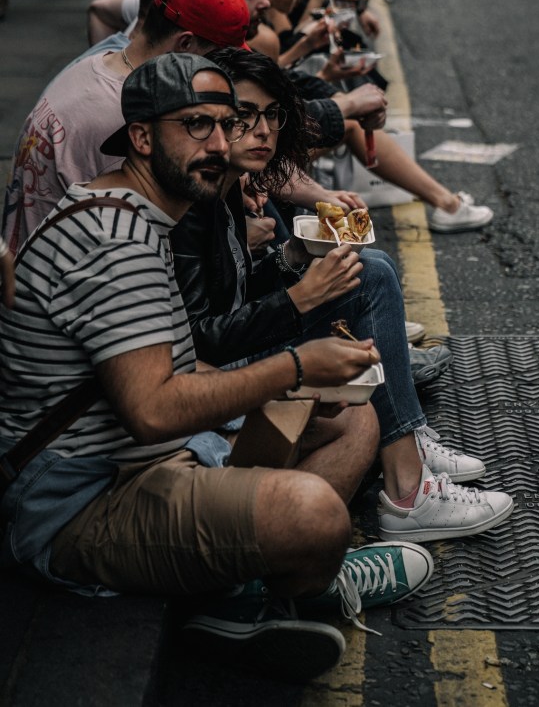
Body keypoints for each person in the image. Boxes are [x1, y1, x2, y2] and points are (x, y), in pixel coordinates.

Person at [0, 52, 434, 680]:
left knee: (354, 422)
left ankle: (242, 598)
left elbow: (181, 368)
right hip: (79, 503)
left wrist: (302, 386)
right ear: (143, 138)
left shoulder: (143, 215)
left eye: (225, 125)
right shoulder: (115, 241)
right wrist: (292, 365)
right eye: (195, 126)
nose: (219, 142)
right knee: (314, 515)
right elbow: (152, 410)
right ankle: (295, 585)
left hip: (147, 463)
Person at [171, 48, 514, 545]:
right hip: (213, 382)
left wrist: (289, 257)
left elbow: (234, 291)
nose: (263, 130)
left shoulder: (226, 185)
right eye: (246, 115)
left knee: (369, 269)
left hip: (230, 358)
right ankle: (409, 487)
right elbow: (202, 339)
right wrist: (300, 299)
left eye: (272, 115)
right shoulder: (192, 202)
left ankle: (409, 458)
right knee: (365, 299)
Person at [252, 0, 495, 233]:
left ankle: (444, 202)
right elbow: (272, 96)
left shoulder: (273, 21)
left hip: (268, 139)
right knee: (350, 124)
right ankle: (446, 203)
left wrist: (319, 65)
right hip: (260, 154)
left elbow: (277, 80)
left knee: (347, 116)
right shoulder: (262, 33)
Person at [2, 0, 251, 252]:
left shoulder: (100, 60)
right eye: (218, 58)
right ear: (185, 44)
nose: (222, 73)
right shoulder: (126, 113)